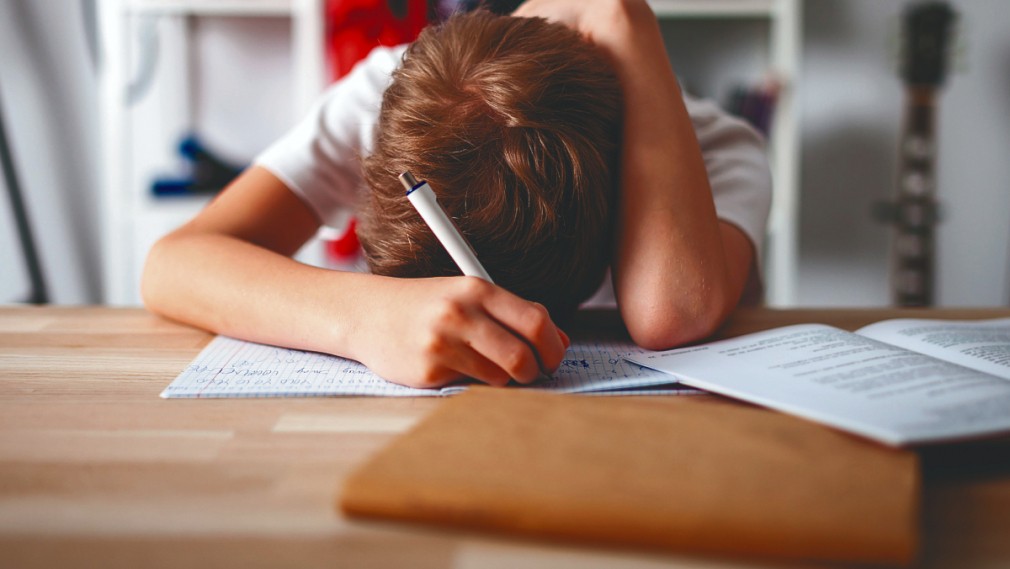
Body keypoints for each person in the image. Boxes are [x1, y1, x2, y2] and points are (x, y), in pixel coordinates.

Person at [141, 0, 771, 390]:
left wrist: (621, 13)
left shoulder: (716, 149)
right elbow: (172, 265)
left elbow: (672, 313)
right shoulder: (389, 100)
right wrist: (365, 316)